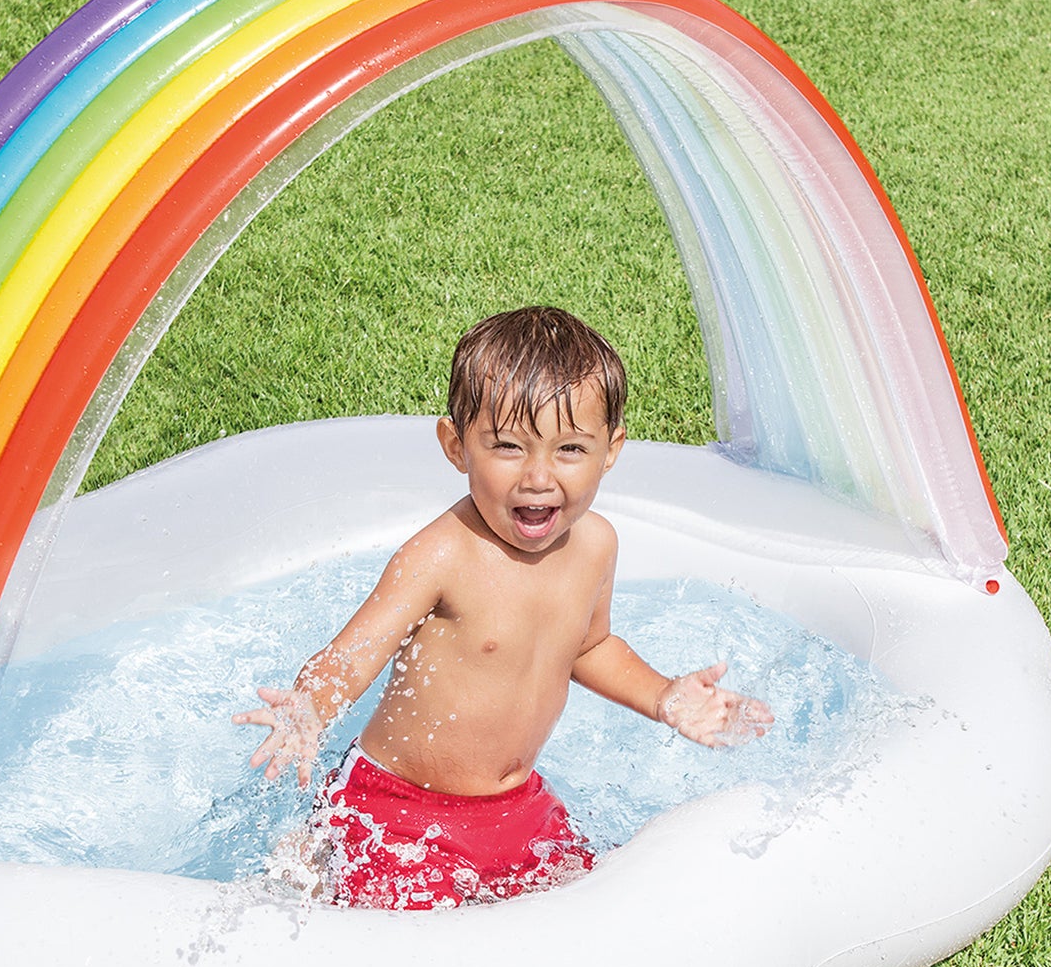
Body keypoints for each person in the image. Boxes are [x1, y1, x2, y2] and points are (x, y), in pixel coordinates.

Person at [237, 306, 773, 909]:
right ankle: (309, 858)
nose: (538, 477)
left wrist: (664, 696)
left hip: (517, 808)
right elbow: (352, 656)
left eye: (570, 449)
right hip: (398, 810)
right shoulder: (441, 556)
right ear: (456, 446)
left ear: (611, 450)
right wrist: (312, 703)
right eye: (509, 447)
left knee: (600, 905)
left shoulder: (596, 545)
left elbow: (590, 646)